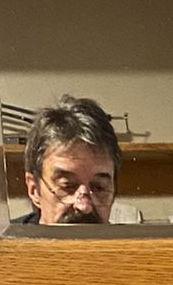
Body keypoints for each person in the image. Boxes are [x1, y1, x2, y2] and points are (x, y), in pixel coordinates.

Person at [19, 96, 124, 225]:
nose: (84, 207)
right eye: (67, 186)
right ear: (34, 190)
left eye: (99, 188)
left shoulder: (129, 244)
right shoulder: (4, 244)